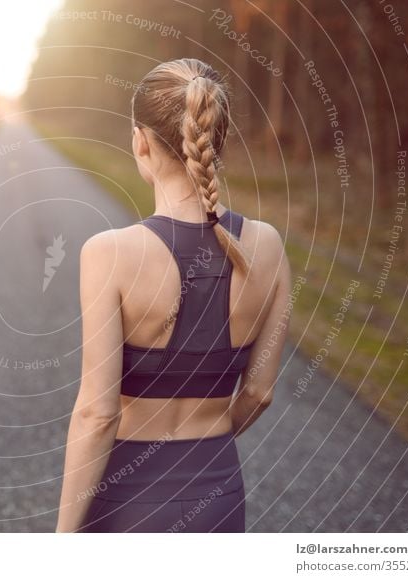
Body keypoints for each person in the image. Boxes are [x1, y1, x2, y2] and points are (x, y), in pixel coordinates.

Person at [55, 58, 292, 533]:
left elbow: (97, 414)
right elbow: (260, 393)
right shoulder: (267, 246)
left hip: (129, 503)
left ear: (140, 141)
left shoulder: (111, 253)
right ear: (214, 138)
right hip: (220, 497)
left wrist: (63, 541)